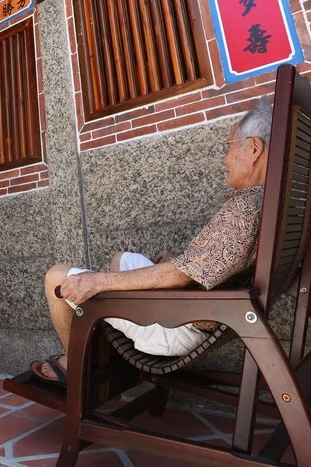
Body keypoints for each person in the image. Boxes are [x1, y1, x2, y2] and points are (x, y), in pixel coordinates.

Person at [31, 98, 273, 385]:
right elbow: (210, 264)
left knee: (56, 277)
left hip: (179, 325)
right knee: (121, 259)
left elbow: (181, 276)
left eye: (230, 146)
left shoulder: (246, 207)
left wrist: (97, 282)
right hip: (202, 309)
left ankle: (74, 367)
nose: (225, 158)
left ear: (254, 148)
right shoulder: (266, 199)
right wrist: (181, 261)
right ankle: (106, 353)